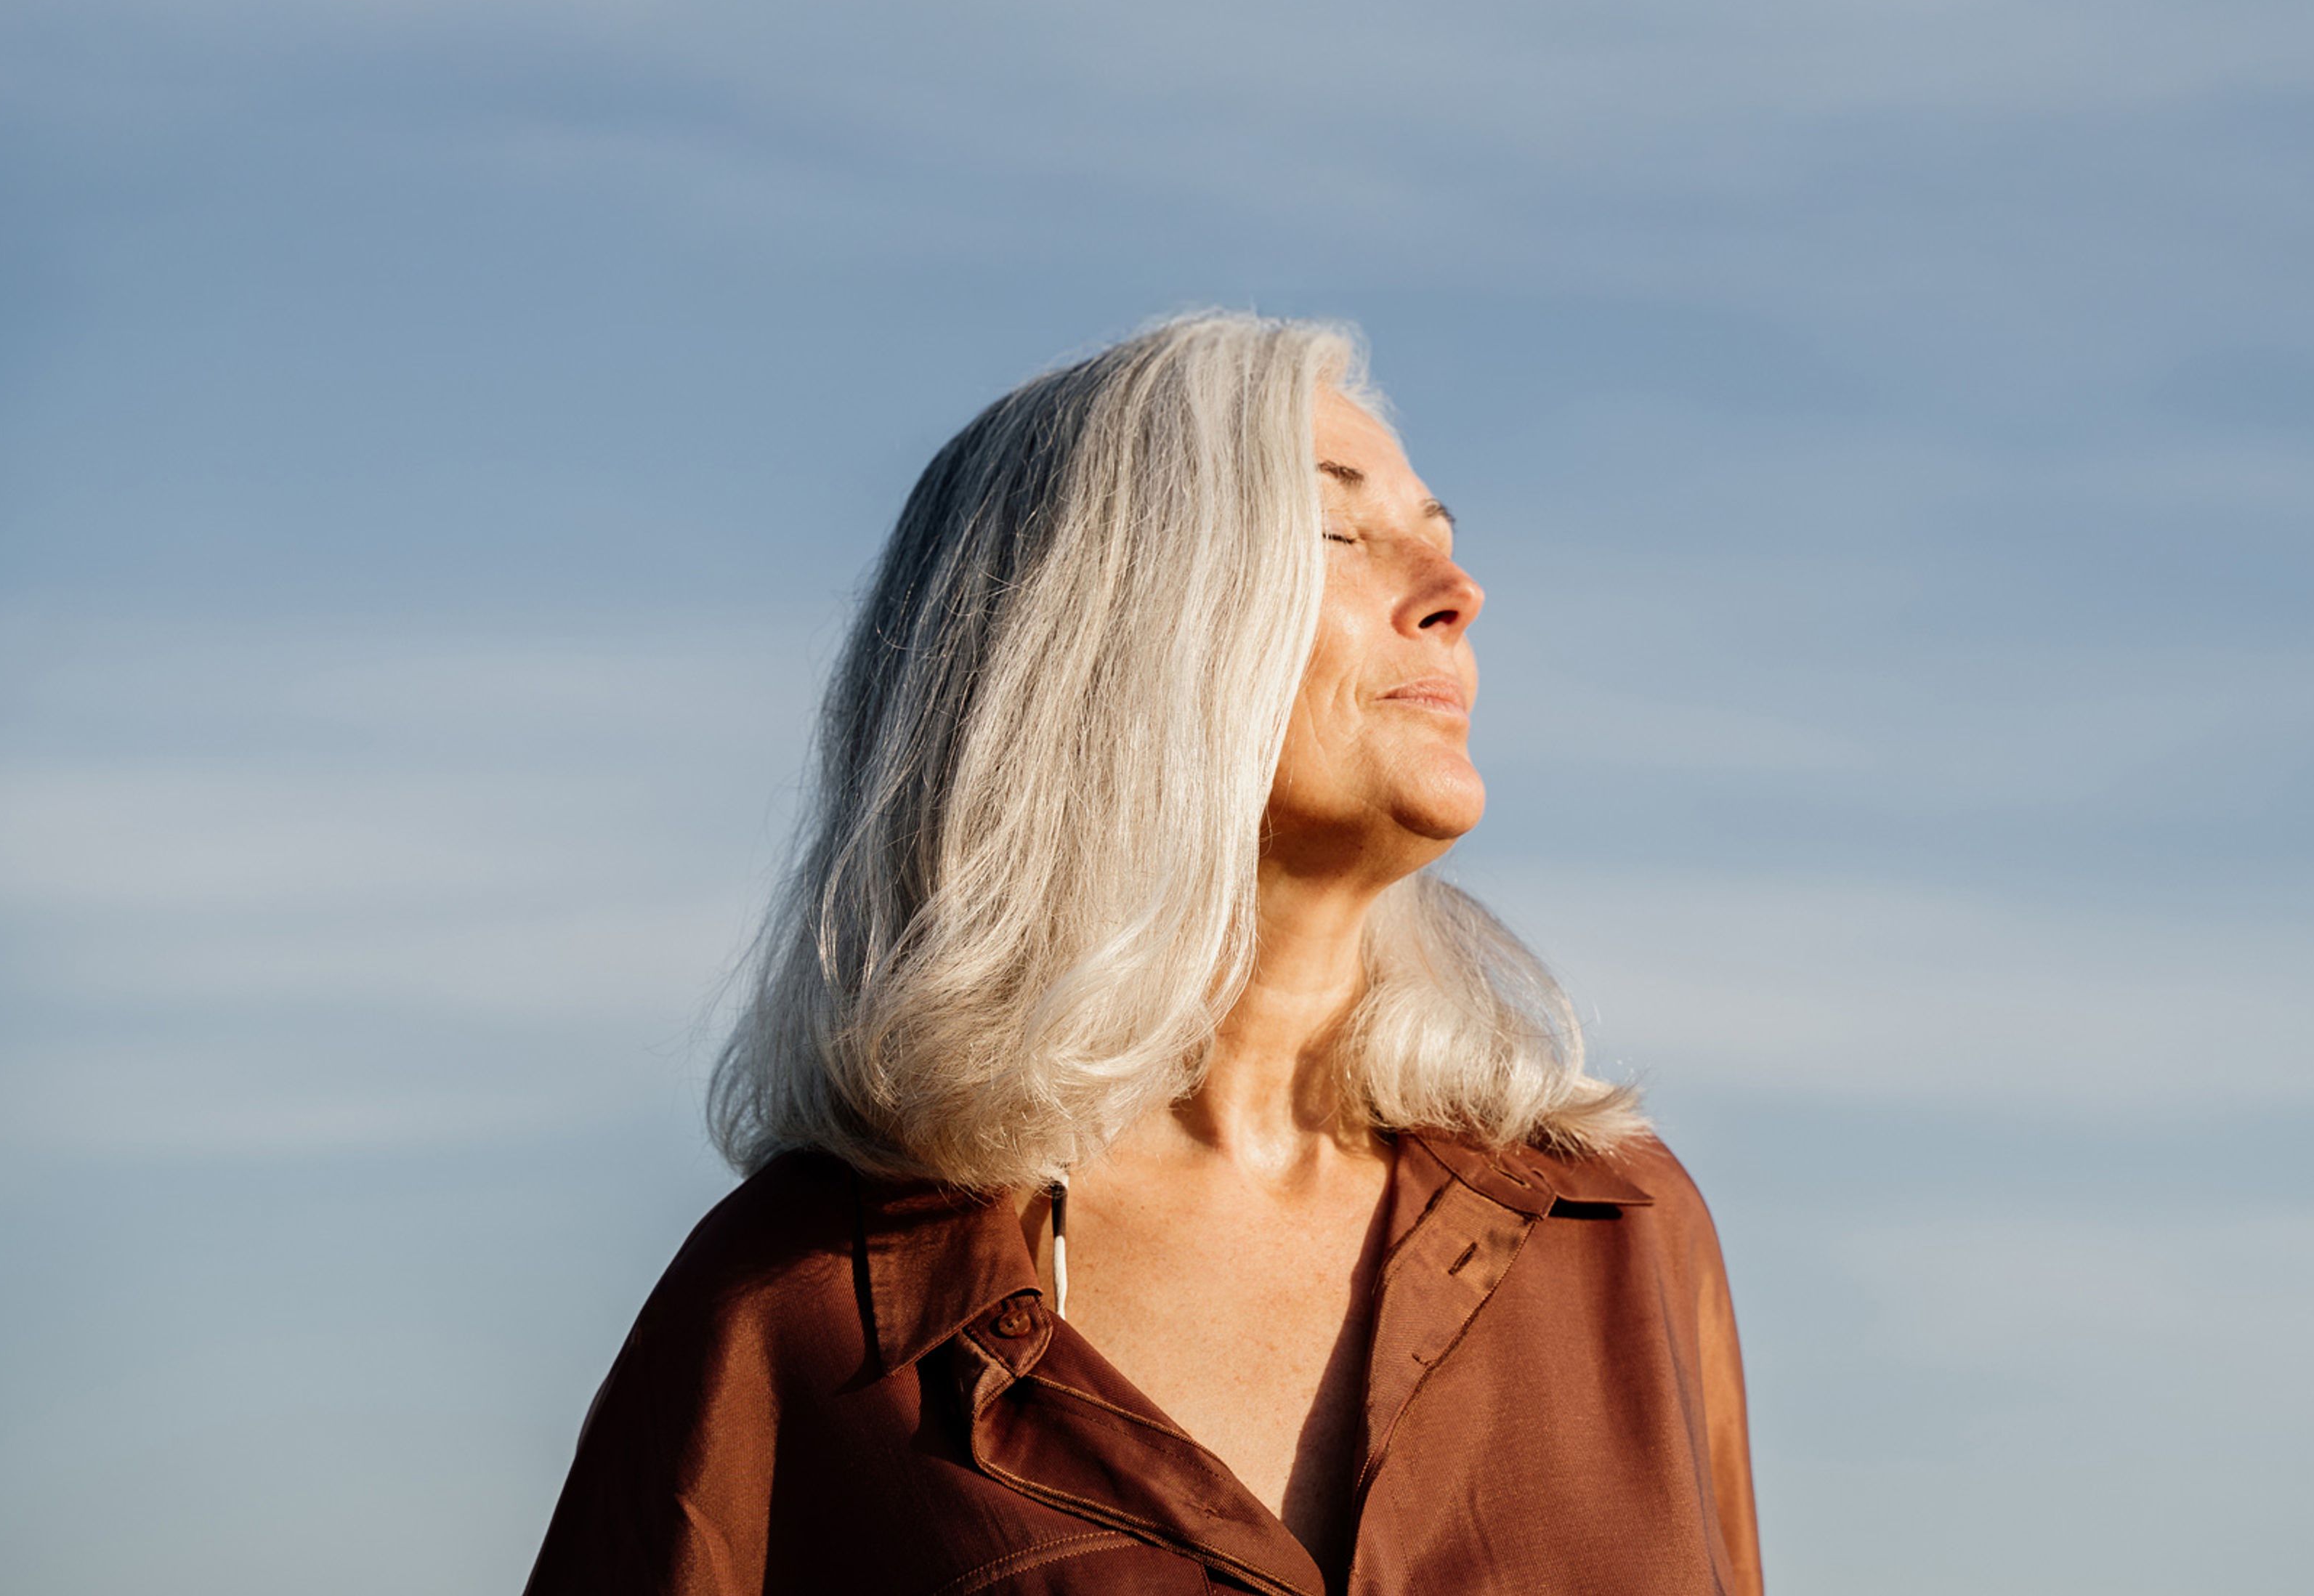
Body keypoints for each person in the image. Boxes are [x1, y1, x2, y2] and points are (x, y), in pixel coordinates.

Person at [525, 312, 1762, 1596]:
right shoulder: (803, 1305)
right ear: (1098, 627)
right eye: (1337, 533)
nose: (1457, 597)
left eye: (1444, 545)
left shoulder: (1620, 1227)